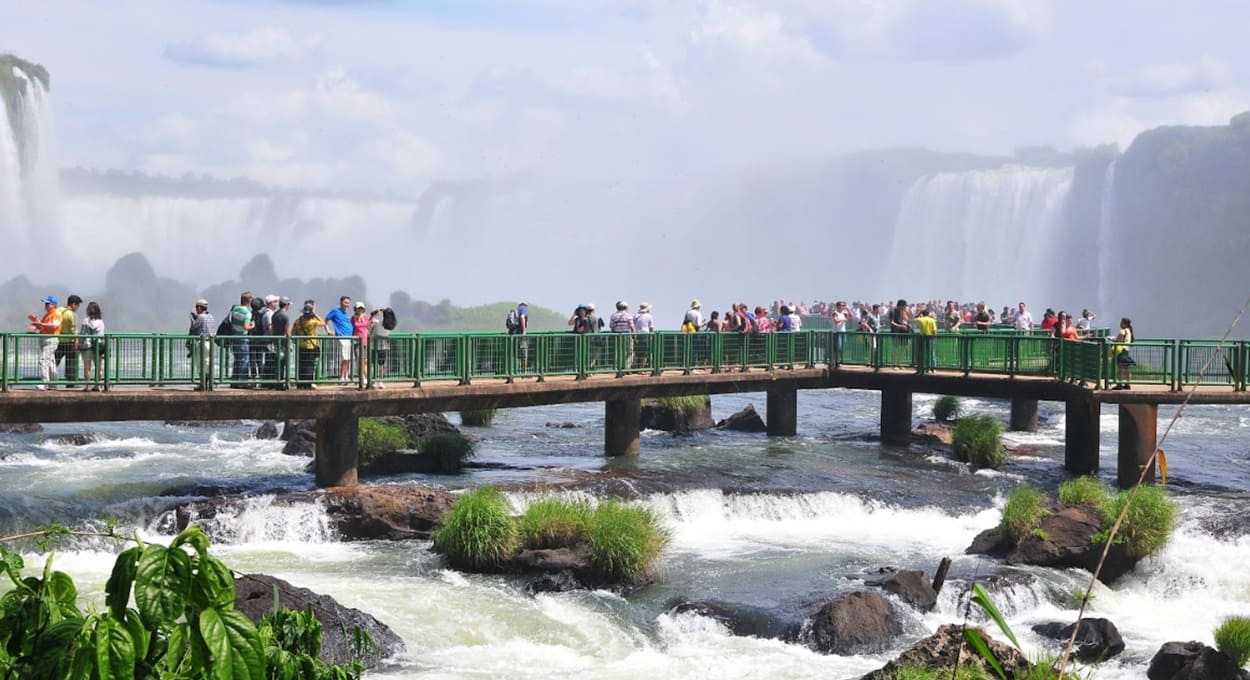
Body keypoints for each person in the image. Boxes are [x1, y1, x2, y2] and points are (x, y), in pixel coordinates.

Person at [27, 295, 62, 390]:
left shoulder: (57, 314)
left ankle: (45, 383)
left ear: (53, 304)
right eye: (45, 303)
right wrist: (35, 322)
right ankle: (53, 384)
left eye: (47, 303)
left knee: (43, 359)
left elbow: (54, 325)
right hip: (45, 339)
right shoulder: (47, 314)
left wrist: (40, 323)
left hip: (51, 339)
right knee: (50, 362)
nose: (45, 305)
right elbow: (42, 327)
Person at [291, 302, 325, 388]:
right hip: (311, 346)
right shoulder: (312, 322)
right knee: (309, 366)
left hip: (300, 346)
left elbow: (293, 333)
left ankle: (300, 383)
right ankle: (308, 384)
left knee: (301, 365)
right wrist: (315, 314)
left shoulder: (297, 321)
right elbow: (323, 322)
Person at [228, 292, 256, 388]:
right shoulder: (247, 313)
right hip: (243, 339)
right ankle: (242, 381)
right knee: (244, 360)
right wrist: (252, 326)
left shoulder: (235, 309)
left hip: (234, 337)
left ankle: (234, 381)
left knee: (236, 360)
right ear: (249, 301)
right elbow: (246, 326)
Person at [324, 296, 354, 383]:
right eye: (345, 302)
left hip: (350, 338)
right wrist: (329, 330)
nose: (346, 304)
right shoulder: (335, 311)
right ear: (341, 302)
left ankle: (346, 377)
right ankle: (341, 378)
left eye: (348, 303)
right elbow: (325, 320)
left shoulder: (347, 314)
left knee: (348, 359)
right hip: (342, 337)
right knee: (345, 358)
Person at [54, 295, 82, 387]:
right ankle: (71, 383)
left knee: (55, 361)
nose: (77, 308)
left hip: (58, 340)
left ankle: (49, 379)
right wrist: (76, 342)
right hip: (69, 342)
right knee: (70, 362)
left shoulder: (59, 310)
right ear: (73, 304)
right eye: (77, 306)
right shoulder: (70, 314)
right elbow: (73, 329)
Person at [188, 299, 215, 390]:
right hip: (210, 342)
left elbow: (193, 328)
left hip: (202, 343)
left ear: (200, 307)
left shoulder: (200, 317)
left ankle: (202, 385)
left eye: (196, 307)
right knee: (208, 364)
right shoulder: (211, 316)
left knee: (200, 364)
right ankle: (209, 384)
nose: (196, 309)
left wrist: (193, 318)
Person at [78, 301, 105, 391]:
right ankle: (97, 385)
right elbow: (102, 334)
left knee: (87, 367)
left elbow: (82, 334)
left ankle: (88, 386)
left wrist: (78, 344)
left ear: (90, 311)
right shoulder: (101, 322)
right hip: (98, 346)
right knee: (99, 367)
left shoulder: (86, 321)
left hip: (87, 346)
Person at [368, 305, 392, 388]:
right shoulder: (390, 323)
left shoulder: (378, 322)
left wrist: (376, 312)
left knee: (372, 363)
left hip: (373, 345)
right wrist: (384, 311)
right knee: (381, 364)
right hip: (384, 345)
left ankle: (373, 380)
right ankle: (381, 381)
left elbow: (370, 322)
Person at [271, 297, 292, 387]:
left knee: (278, 363)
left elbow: (272, 329)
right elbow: (287, 331)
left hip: (276, 341)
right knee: (285, 363)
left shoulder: (274, 314)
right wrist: (290, 340)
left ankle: (278, 382)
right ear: (287, 305)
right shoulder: (285, 316)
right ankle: (285, 382)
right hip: (284, 342)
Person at [1110, 318, 1135, 389]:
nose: (1120, 324)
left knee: (1120, 368)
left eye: (1122, 323)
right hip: (1126, 350)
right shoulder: (1129, 331)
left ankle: (1119, 384)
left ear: (1125, 324)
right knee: (1127, 369)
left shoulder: (1123, 331)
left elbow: (1119, 341)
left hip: (1121, 351)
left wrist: (1111, 339)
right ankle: (1128, 384)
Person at [352, 302, 371, 386]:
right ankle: (362, 377)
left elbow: (368, 326)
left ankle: (367, 378)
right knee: (359, 360)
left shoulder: (366, 317)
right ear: (355, 309)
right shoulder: (353, 318)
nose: (360, 310)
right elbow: (354, 326)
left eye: (361, 308)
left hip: (364, 341)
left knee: (365, 361)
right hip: (356, 341)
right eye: (358, 308)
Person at [509, 302, 529, 372]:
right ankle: (524, 373)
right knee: (524, 354)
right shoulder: (524, 308)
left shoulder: (517, 309)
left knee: (515, 354)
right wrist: (524, 331)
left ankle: (513, 372)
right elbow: (522, 317)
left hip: (513, 334)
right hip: (520, 334)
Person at [634, 302, 654, 369]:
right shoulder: (649, 316)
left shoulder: (636, 316)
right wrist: (652, 335)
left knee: (637, 352)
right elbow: (651, 327)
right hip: (645, 335)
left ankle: (636, 367)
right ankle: (642, 368)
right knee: (645, 353)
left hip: (636, 334)